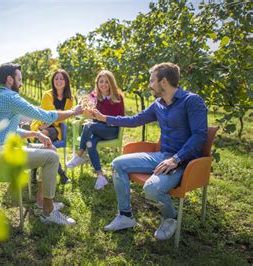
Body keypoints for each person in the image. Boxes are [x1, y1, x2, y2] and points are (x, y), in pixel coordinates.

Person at [91, 62, 208, 240]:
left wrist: (176, 159)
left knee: (152, 189)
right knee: (117, 164)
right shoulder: (158, 104)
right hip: (162, 156)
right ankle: (125, 216)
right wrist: (104, 118)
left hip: (184, 161)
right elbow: (135, 120)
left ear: (164, 82)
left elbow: (199, 136)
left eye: (152, 80)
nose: (149, 84)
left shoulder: (191, 101)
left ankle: (170, 218)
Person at [0, 63, 84, 226]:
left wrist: (34, 133)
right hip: (2, 156)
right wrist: (74, 111)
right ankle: (48, 212)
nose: (22, 83)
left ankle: (41, 203)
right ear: (10, 80)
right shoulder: (10, 97)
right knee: (52, 157)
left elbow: (6, 130)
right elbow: (44, 115)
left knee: (49, 148)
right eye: (20, 79)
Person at [66, 70, 125, 190]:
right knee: (90, 143)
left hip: (111, 130)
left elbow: (120, 119)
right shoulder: (94, 96)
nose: (103, 84)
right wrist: (89, 114)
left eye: (106, 82)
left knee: (89, 126)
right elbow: (92, 115)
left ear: (111, 83)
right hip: (98, 129)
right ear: (97, 83)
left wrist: (101, 118)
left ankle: (79, 154)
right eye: (101, 81)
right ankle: (100, 176)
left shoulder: (117, 97)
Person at [30, 69, 74, 184]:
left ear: (66, 81)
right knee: (43, 137)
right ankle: (62, 174)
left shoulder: (69, 99)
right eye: (56, 78)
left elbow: (61, 118)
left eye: (61, 78)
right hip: (41, 125)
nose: (58, 81)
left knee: (42, 136)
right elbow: (50, 115)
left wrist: (54, 118)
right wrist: (56, 116)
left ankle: (33, 172)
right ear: (53, 81)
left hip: (55, 128)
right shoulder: (47, 95)